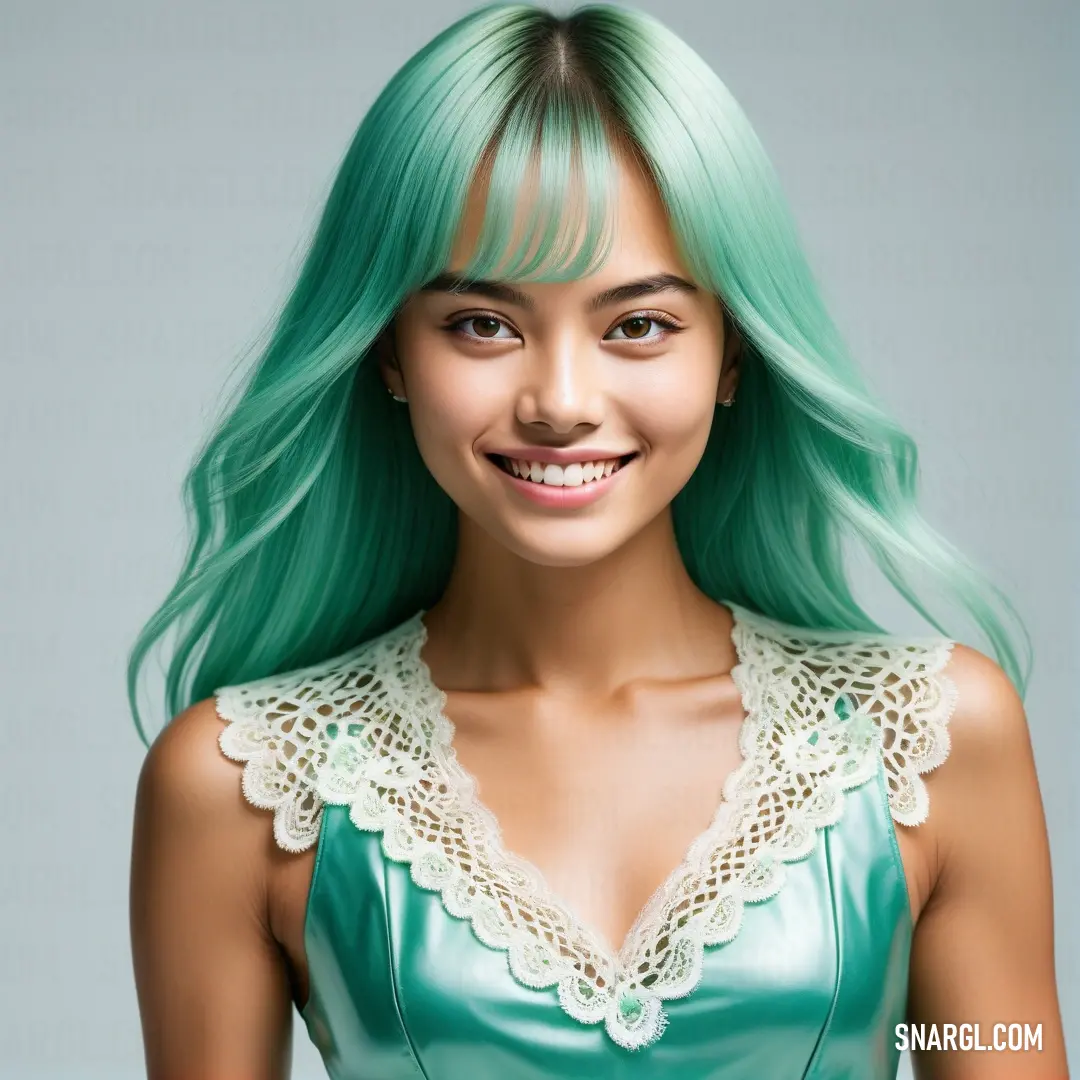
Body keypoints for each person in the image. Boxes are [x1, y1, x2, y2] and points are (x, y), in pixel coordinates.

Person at [126, 4, 1067, 1078]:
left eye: (639, 324)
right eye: (482, 323)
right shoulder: (238, 784)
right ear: (388, 351)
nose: (561, 402)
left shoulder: (935, 743)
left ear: (734, 353)